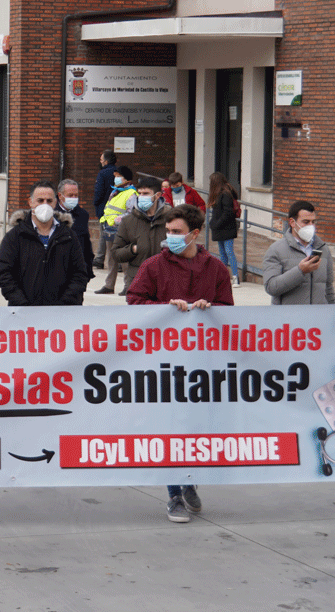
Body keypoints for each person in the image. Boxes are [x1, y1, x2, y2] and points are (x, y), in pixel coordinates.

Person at [126, 204, 233, 522]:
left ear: (195, 234)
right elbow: (134, 301)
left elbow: (229, 311)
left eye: (176, 232)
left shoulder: (216, 269)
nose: (169, 238)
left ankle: (189, 480)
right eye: (167, 232)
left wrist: (208, 307)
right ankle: (174, 493)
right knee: (172, 426)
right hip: (162, 363)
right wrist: (164, 307)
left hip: (202, 364)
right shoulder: (153, 266)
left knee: (196, 426)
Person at [0, 181, 89, 306]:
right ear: (30, 202)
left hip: (62, 315)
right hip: (24, 315)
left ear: (55, 202)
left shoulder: (68, 236)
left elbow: (80, 273)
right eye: (40, 200)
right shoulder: (15, 236)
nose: (45, 205)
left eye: (49, 201)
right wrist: (21, 303)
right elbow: (3, 274)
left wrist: (65, 303)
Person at [263, 200, 335, 305]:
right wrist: (300, 271)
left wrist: (333, 311)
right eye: (306, 222)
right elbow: (271, 287)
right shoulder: (276, 250)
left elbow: (328, 288)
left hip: (318, 317)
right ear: (292, 222)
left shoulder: (323, 249)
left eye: (313, 222)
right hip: (290, 318)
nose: (311, 226)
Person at [112, 177, 171, 294]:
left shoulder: (171, 217)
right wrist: (132, 249)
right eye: (139, 193)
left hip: (166, 280)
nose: (141, 197)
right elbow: (116, 253)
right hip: (137, 281)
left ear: (157, 195)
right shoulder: (128, 221)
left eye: (146, 193)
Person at [95, 166, 135, 294]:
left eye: (118, 176)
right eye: (115, 176)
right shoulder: (115, 192)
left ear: (127, 179)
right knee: (111, 258)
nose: (116, 178)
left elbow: (131, 212)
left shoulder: (131, 193)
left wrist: (118, 219)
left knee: (124, 258)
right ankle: (109, 285)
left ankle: (128, 286)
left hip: (122, 230)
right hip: (109, 228)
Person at [208, 171, 241, 287]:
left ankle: (235, 277)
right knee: (222, 253)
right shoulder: (219, 194)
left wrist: (216, 224)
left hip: (226, 228)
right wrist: (214, 223)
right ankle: (223, 277)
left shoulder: (225, 194)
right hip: (221, 227)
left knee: (228, 251)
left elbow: (228, 212)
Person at [57, 179, 94, 277]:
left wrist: (88, 270)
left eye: (76, 195)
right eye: (70, 195)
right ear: (60, 196)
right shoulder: (51, 214)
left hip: (77, 269)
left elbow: (86, 243)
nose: (73, 198)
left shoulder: (82, 215)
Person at [93, 150, 119, 221]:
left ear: (106, 161)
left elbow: (99, 191)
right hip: (118, 207)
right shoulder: (119, 172)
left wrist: (96, 203)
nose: (100, 162)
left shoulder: (102, 173)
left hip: (104, 207)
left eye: (101, 160)